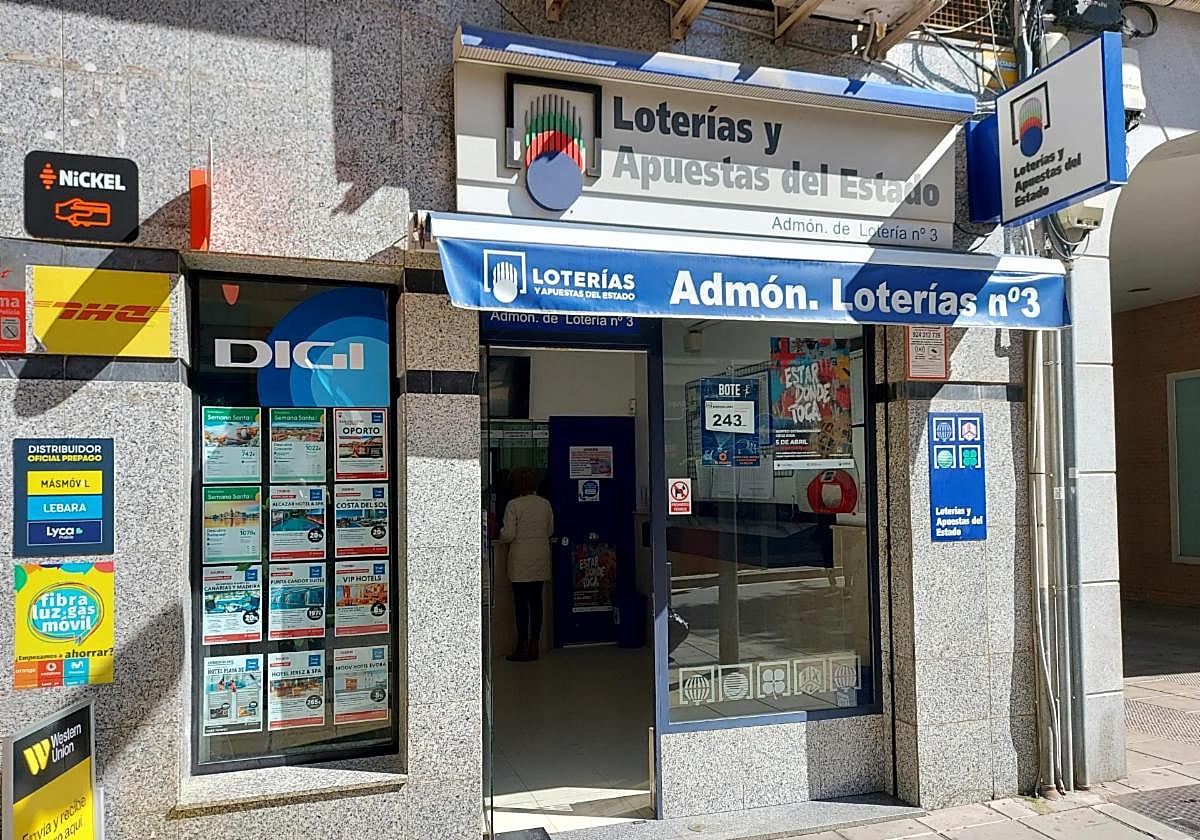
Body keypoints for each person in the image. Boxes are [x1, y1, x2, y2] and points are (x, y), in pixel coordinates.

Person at [498, 467, 554, 662]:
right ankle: (535, 645)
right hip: (540, 556)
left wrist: (500, 533)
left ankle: (522, 646)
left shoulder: (513, 505)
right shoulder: (545, 504)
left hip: (521, 559)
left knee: (521, 605)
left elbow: (508, 535)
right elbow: (550, 530)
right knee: (536, 602)